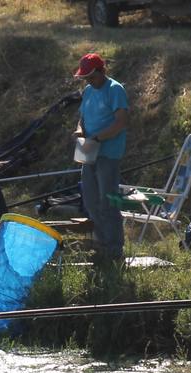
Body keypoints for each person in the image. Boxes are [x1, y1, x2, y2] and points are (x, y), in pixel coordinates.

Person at [74, 52, 129, 263]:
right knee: (90, 200)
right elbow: (82, 118)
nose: (89, 81)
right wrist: (80, 131)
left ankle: (114, 250)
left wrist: (97, 137)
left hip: (108, 154)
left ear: (101, 71)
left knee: (108, 202)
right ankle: (101, 244)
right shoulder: (88, 91)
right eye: (85, 78)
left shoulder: (115, 90)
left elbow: (120, 123)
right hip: (89, 151)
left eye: (91, 77)